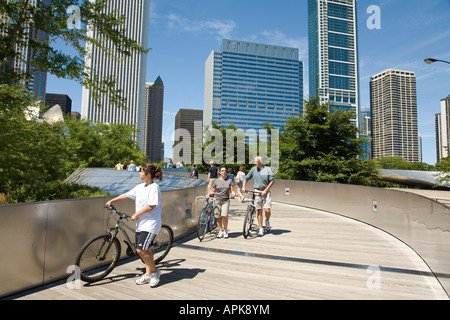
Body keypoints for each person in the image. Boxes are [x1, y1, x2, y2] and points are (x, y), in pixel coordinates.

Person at [105, 163, 164, 287]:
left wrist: (136, 214)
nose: (139, 173)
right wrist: (112, 200)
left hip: (151, 224)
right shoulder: (140, 187)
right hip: (141, 224)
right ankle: (148, 275)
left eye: (141, 172)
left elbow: (152, 205)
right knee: (147, 250)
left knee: (140, 250)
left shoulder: (154, 187)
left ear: (148, 174)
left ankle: (155, 272)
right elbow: (126, 195)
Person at [241, 156, 275, 237]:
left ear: (261, 161)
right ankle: (260, 228)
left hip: (265, 191)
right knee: (259, 210)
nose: (255, 162)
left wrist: (265, 190)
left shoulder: (267, 169)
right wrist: (243, 187)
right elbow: (246, 178)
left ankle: (267, 221)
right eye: (255, 161)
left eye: (256, 161)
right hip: (257, 191)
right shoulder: (253, 169)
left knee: (267, 210)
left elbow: (272, 181)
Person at [207, 167, 237, 238]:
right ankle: (220, 231)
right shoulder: (216, 181)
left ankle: (225, 230)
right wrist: (209, 194)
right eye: (222, 171)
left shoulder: (229, 180)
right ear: (219, 172)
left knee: (224, 215)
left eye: (225, 171)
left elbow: (232, 190)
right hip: (217, 200)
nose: (224, 172)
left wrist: (233, 193)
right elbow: (213, 191)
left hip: (225, 200)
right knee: (218, 217)